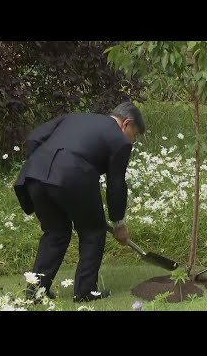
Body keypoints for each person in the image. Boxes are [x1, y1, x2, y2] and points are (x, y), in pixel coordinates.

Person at [14, 102, 145, 302]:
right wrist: (118, 223)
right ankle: (85, 292)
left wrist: (45, 166)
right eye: (134, 135)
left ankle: (35, 292)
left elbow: (34, 137)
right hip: (73, 175)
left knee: (55, 232)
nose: (132, 141)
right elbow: (116, 184)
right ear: (126, 124)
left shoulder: (74, 117)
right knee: (93, 231)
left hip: (35, 174)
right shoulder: (120, 140)